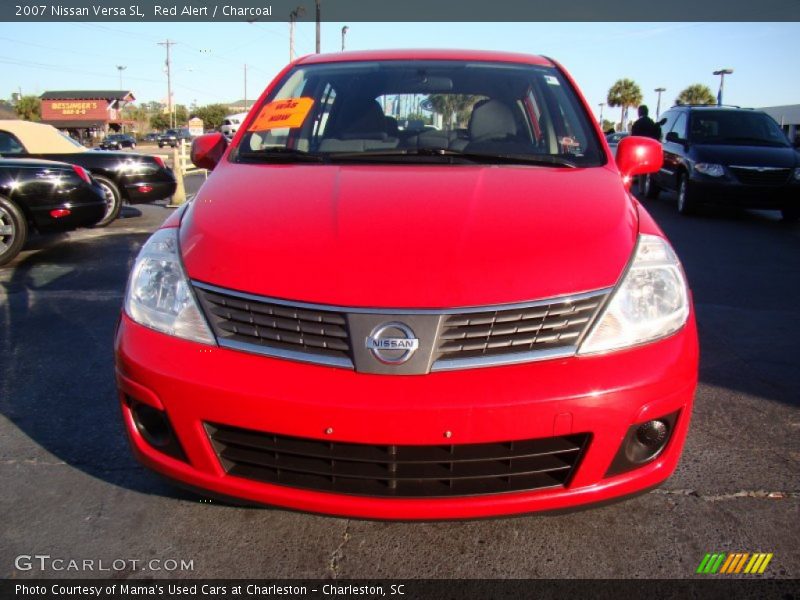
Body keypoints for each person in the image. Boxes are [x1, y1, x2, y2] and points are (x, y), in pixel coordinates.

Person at [630, 105, 661, 195]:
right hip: (650, 149)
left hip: (640, 148)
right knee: (650, 169)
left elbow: (633, 136)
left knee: (638, 168)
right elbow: (656, 136)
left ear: (640, 112)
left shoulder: (637, 123)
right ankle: (646, 187)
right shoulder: (652, 123)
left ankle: (641, 189)